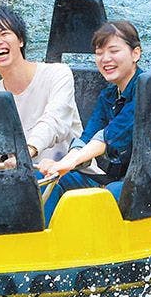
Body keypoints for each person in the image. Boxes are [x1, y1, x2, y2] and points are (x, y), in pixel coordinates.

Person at [39, 20, 143, 223]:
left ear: (135, 54)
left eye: (113, 51)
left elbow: (109, 136)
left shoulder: (147, 90)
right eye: (99, 53)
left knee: (109, 194)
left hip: (149, 180)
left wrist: (68, 162)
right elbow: (87, 138)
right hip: (119, 177)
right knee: (49, 181)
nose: (106, 59)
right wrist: (60, 166)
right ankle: (44, 240)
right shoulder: (109, 96)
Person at [0, 4, 81, 164]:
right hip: (23, 179)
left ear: (20, 40)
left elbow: (55, 120)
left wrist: (28, 150)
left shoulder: (58, 74)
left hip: (71, 172)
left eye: (4, 33)